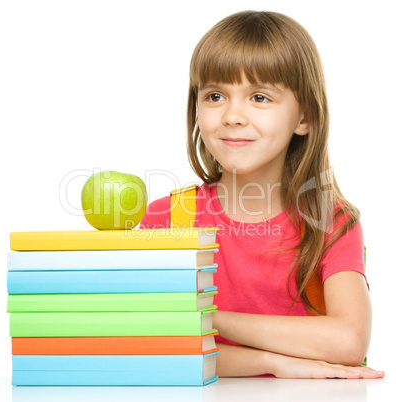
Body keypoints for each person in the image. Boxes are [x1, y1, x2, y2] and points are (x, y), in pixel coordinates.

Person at [140, 10, 384, 379]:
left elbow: (349, 341)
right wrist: (271, 362)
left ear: (304, 117)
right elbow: (150, 345)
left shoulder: (329, 221)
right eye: (216, 95)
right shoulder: (165, 219)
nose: (233, 115)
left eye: (259, 97)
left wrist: (205, 317)